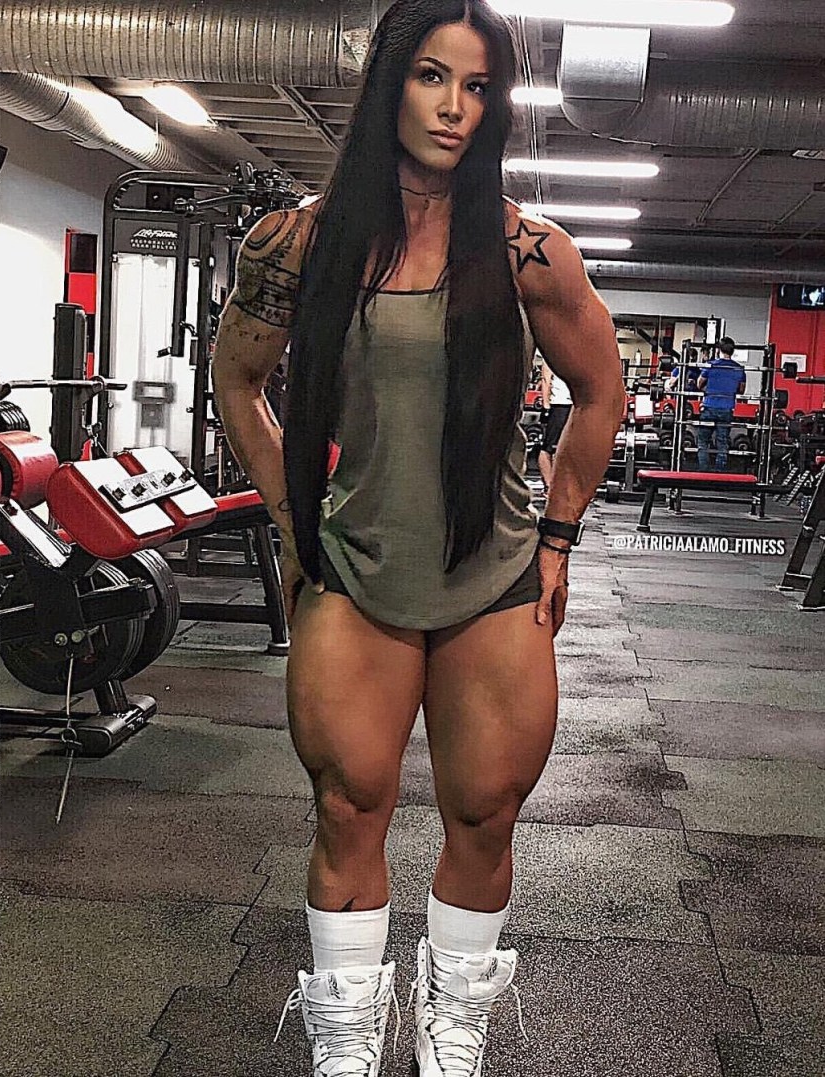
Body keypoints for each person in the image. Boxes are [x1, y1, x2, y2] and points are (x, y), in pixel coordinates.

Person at [212, 2, 624, 1074]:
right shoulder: (298, 241)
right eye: (433, 77)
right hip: (355, 568)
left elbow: (601, 390)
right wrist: (294, 524)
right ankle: (347, 1041)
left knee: (484, 813)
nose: (454, 108)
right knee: (348, 805)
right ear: (390, 83)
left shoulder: (529, 250)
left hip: (494, 574)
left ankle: (453, 1034)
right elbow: (238, 381)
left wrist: (558, 539)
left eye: (478, 87)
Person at [696, 336, 747, 471]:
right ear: (732, 351)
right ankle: (720, 471)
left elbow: (699, 383)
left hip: (709, 406)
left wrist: (710, 390)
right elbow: (741, 389)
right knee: (722, 441)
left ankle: (703, 470)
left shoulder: (711, 365)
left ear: (719, 350)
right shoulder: (739, 369)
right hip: (727, 408)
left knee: (703, 440)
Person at [537, 350, 573, 497]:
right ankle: (549, 486)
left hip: (575, 405)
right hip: (559, 405)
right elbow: (546, 379)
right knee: (549, 447)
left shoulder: (576, 353)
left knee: (568, 448)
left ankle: (562, 487)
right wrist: (546, 407)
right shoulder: (551, 353)